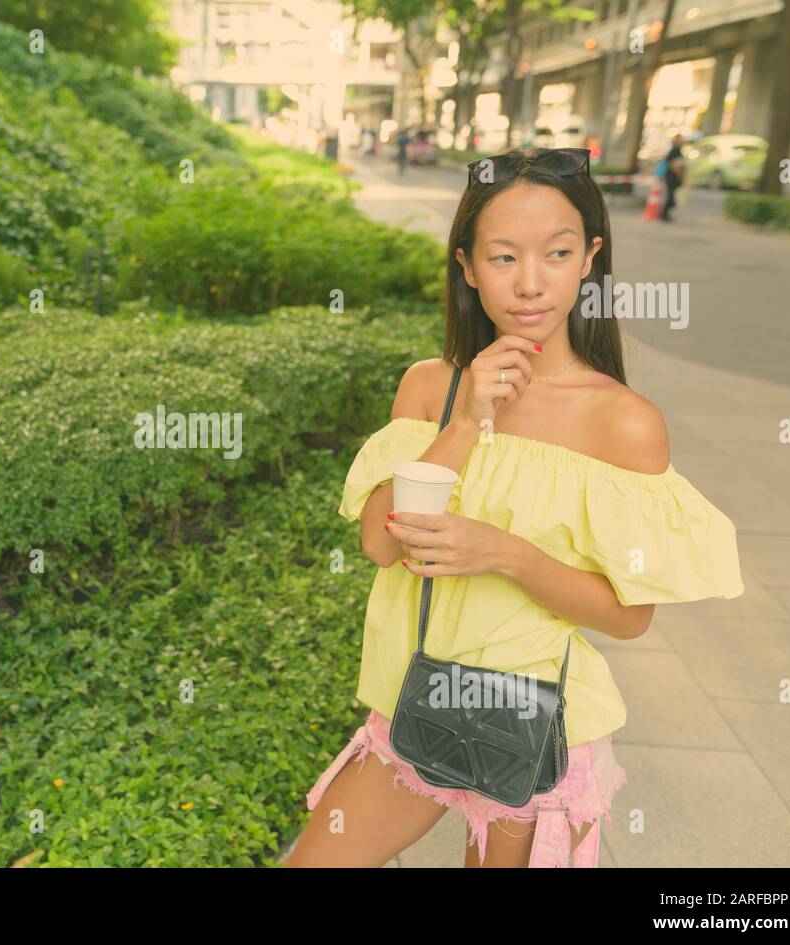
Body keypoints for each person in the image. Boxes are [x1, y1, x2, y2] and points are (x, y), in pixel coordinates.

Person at [285, 147, 744, 868]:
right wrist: (466, 421)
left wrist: (507, 554)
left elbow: (629, 615)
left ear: (590, 257)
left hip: (538, 731)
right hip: (417, 703)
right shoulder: (431, 386)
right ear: (466, 264)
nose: (531, 283)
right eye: (503, 257)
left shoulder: (623, 421)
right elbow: (380, 540)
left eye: (557, 253)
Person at [661, 133, 686, 222]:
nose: (683, 142)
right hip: (672, 176)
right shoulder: (675, 150)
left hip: (674, 176)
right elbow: (673, 164)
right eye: (681, 140)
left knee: (671, 196)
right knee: (670, 196)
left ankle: (665, 213)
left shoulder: (678, 150)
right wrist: (680, 175)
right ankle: (663, 214)